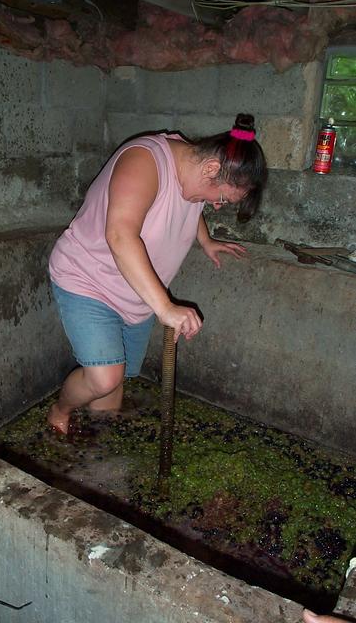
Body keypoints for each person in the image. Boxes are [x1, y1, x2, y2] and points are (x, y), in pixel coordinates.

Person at [47, 113, 267, 435]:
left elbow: (191, 204)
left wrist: (205, 240)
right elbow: (120, 235)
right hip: (89, 279)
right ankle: (60, 410)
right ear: (211, 169)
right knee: (105, 377)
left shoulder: (193, 170)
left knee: (113, 390)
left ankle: (96, 450)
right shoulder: (144, 161)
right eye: (222, 198)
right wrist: (165, 307)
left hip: (136, 295)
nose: (218, 206)